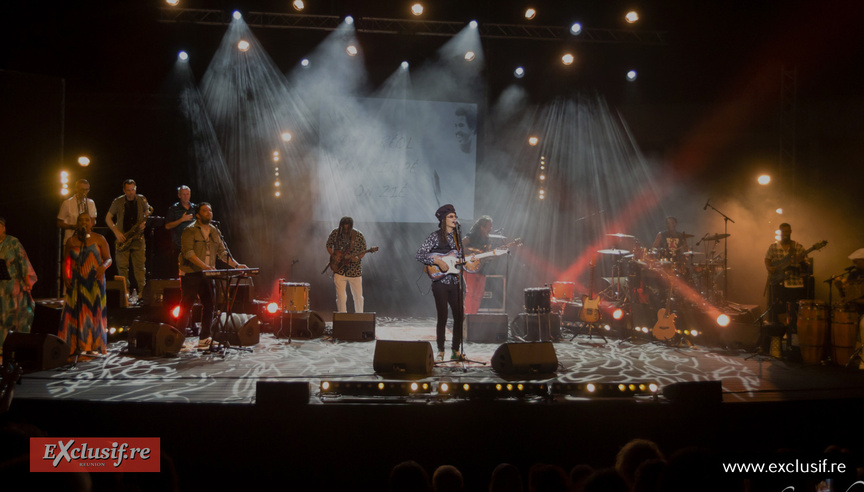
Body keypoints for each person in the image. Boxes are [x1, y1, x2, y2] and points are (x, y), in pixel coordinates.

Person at [178, 203, 246, 350]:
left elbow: (222, 252)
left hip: (208, 274)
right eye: (205, 211)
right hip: (191, 273)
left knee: (209, 306)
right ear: (197, 214)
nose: (209, 213)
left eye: (210, 210)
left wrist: (236, 265)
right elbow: (188, 253)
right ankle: (178, 339)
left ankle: (204, 338)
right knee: (186, 306)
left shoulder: (215, 231)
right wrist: (205, 267)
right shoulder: (189, 230)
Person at [416, 204, 464, 361]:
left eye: (455, 216)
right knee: (442, 316)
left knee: (459, 316)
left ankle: (456, 350)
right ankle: (441, 350)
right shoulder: (435, 236)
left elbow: (460, 261)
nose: (454, 218)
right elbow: (420, 254)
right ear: (443, 220)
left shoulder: (458, 238)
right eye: (451, 216)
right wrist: (436, 260)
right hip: (440, 283)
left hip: (455, 281)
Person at [59, 213, 111, 356]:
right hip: (76, 282)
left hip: (94, 282)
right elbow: (66, 261)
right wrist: (66, 276)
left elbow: (108, 259)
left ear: (92, 222)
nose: (84, 222)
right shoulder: (71, 241)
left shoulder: (99, 239)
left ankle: (93, 345)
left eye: (87, 220)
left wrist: (103, 267)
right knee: (76, 312)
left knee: (94, 312)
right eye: (81, 220)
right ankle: (76, 344)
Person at [105, 179, 151, 294]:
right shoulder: (118, 201)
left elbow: (147, 213)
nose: (131, 193)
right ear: (124, 190)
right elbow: (108, 218)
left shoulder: (142, 199)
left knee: (140, 268)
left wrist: (145, 223)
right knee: (122, 268)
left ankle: (142, 293)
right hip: (123, 238)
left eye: (133, 190)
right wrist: (116, 232)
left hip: (138, 238)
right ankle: (124, 293)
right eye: (128, 190)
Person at [0, 217, 37, 357]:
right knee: (1, 318)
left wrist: (27, 282)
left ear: (4, 228)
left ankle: (16, 347)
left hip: (13, 285)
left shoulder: (13, 242)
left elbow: (23, 261)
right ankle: (1, 348)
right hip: (0, 287)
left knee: (14, 316)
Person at [764, 223, 810, 324]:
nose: (785, 234)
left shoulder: (798, 247)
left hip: (794, 284)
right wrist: (769, 267)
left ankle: (793, 333)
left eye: (787, 232)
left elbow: (806, 267)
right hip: (779, 283)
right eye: (783, 232)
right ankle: (783, 331)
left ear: (791, 232)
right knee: (779, 309)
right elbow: (767, 259)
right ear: (780, 232)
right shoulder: (774, 247)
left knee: (795, 310)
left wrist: (801, 261)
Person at [325, 216, 367, 313]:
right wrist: (334, 257)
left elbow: (363, 250)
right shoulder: (335, 233)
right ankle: (342, 317)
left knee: (358, 297)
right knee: (341, 296)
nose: (346, 229)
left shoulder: (358, 235)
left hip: (354, 270)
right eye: (344, 227)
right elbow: (328, 245)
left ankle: (360, 317)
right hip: (339, 269)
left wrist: (358, 257)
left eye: (348, 227)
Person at [462, 215, 493, 315]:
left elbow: (486, 255)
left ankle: (473, 315)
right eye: (488, 226)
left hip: (481, 268)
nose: (490, 228)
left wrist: (494, 254)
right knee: (470, 293)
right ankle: (467, 316)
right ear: (482, 227)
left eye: (491, 226)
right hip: (469, 268)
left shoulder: (487, 240)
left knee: (479, 294)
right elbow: (459, 245)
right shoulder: (472, 235)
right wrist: (471, 253)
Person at [164, 185, 197, 272]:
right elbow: (167, 226)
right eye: (183, 194)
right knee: (180, 270)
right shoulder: (174, 209)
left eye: (188, 194)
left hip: (195, 245)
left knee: (195, 270)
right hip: (179, 245)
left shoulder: (195, 208)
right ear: (179, 195)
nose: (186, 196)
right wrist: (181, 220)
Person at [56, 179, 97, 244]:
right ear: (76, 189)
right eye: (82, 189)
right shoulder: (67, 203)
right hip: (71, 240)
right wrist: (73, 226)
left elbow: (93, 220)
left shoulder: (91, 202)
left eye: (86, 190)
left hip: (87, 241)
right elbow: (59, 223)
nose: (84, 192)